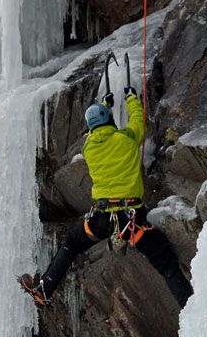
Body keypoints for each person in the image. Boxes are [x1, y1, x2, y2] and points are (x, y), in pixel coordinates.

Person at [19, 87, 193, 308]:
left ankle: (45, 288)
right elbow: (138, 123)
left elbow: (96, 131)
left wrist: (105, 105)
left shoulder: (89, 147)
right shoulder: (125, 139)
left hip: (101, 219)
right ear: (110, 121)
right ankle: (191, 311)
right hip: (132, 218)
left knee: (72, 244)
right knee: (166, 264)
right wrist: (131, 99)